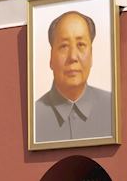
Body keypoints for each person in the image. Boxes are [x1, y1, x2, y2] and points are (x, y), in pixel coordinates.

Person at [34, 11, 112, 143]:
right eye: (64, 46)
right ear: (51, 57)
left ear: (91, 54)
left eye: (81, 45)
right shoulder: (35, 115)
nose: (73, 57)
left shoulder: (112, 107)